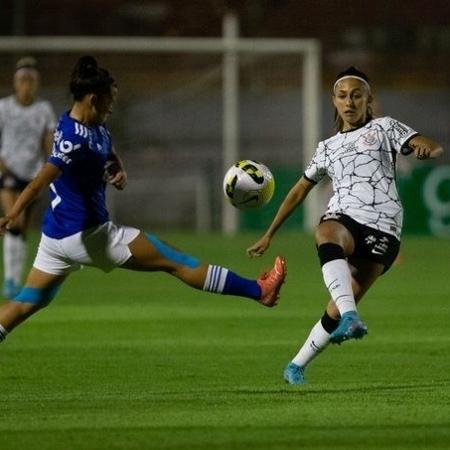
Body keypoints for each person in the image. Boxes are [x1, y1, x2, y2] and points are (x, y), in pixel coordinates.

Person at [0, 56, 286, 345]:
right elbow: (42, 178)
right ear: (92, 99)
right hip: (89, 235)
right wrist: (13, 214)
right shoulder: (72, 139)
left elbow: (106, 148)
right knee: (178, 261)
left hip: (55, 239)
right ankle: (259, 290)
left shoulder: (87, 124)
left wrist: (117, 167)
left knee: (25, 303)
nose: (112, 107)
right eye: (109, 101)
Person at [247, 66, 444, 385]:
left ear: (369, 99)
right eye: (342, 96)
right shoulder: (326, 147)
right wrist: (270, 233)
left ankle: (297, 363)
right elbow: (299, 191)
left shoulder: (385, 127)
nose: (349, 102)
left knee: (336, 308)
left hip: (384, 226)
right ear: (334, 101)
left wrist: (428, 150)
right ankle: (339, 330)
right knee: (326, 230)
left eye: (356, 95)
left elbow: (429, 144)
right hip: (345, 217)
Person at [0, 57, 56, 298]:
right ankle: (10, 281)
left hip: (33, 175)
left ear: (37, 83)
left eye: (31, 80)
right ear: (15, 83)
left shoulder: (43, 109)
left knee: (22, 230)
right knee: (15, 222)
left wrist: (49, 170)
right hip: (8, 172)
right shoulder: (3, 107)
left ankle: (15, 279)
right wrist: (3, 168)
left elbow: (49, 142)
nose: (27, 85)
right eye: (23, 80)